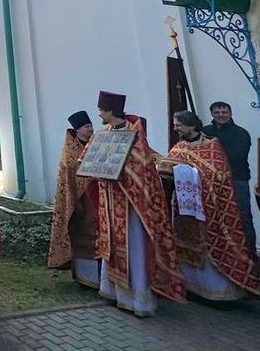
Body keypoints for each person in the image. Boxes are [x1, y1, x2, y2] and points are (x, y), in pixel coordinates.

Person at [86, 91, 185, 317]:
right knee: (113, 247)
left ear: (110, 111)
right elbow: (89, 161)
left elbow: (142, 170)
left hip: (132, 206)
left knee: (135, 249)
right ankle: (117, 293)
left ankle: (139, 299)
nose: (99, 114)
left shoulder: (135, 136)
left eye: (101, 110)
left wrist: (119, 173)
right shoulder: (103, 134)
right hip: (110, 203)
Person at [160, 111, 259, 301]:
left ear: (191, 126)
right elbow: (166, 168)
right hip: (185, 211)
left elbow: (219, 174)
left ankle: (219, 291)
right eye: (174, 125)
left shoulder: (212, 146)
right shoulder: (179, 147)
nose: (175, 128)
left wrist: (193, 175)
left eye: (178, 125)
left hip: (212, 208)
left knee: (211, 244)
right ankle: (193, 286)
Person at [46, 111, 100, 289]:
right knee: (81, 237)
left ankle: (99, 276)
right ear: (77, 130)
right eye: (86, 127)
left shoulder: (95, 144)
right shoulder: (70, 151)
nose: (90, 129)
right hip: (79, 201)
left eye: (91, 126)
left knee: (97, 237)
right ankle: (86, 277)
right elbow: (72, 172)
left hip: (97, 199)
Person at [203, 101, 256, 256]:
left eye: (224, 112)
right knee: (217, 217)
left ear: (230, 113)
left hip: (237, 180)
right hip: (212, 181)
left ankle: (251, 256)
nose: (221, 115)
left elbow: (237, 156)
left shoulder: (241, 133)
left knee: (243, 217)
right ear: (212, 114)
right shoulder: (205, 132)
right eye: (217, 112)